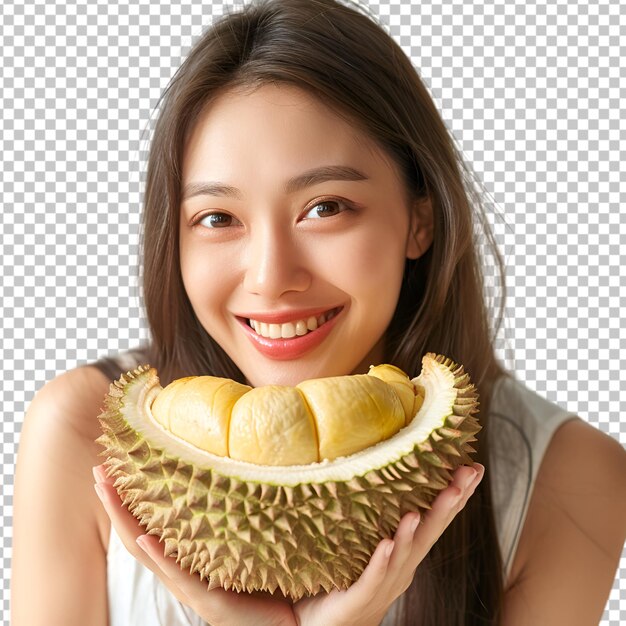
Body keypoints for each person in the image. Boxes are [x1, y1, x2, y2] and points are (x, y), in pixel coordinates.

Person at [11, 0, 626, 624]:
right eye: (218, 218)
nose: (271, 277)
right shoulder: (82, 437)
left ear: (420, 220)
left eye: (326, 207)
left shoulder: (571, 480)